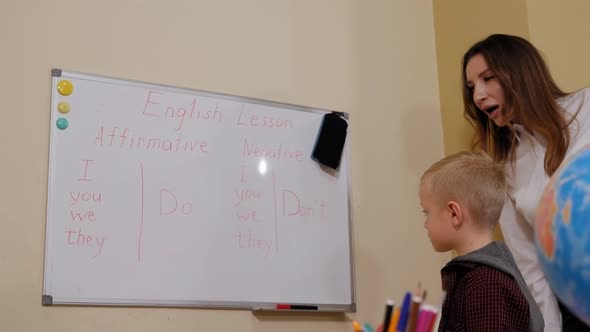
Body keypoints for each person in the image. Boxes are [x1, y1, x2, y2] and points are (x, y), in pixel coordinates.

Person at [461, 33, 590, 331]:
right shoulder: (505, 164)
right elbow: (531, 266)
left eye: (488, 78)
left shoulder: (586, 108)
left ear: (521, 72)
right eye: (471, 88)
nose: (478, 96)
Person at [420, 151, 544, 332]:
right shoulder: (484, 277)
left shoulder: (485, 285)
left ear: (454, 213)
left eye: (426, 212)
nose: (425, 223)